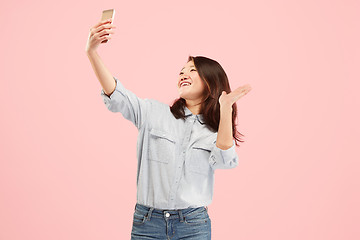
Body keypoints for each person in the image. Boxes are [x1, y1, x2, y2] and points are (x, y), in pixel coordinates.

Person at [86, 18, 252, 240]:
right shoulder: (153, 113)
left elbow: (224, 159)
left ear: (211, 81)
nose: (183, 74)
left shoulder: (215, 131)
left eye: (192, 70)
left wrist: (225, 109)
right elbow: (117, 94)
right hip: (148, 223)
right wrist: (92, 53)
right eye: (181, 71)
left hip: (193, 224)